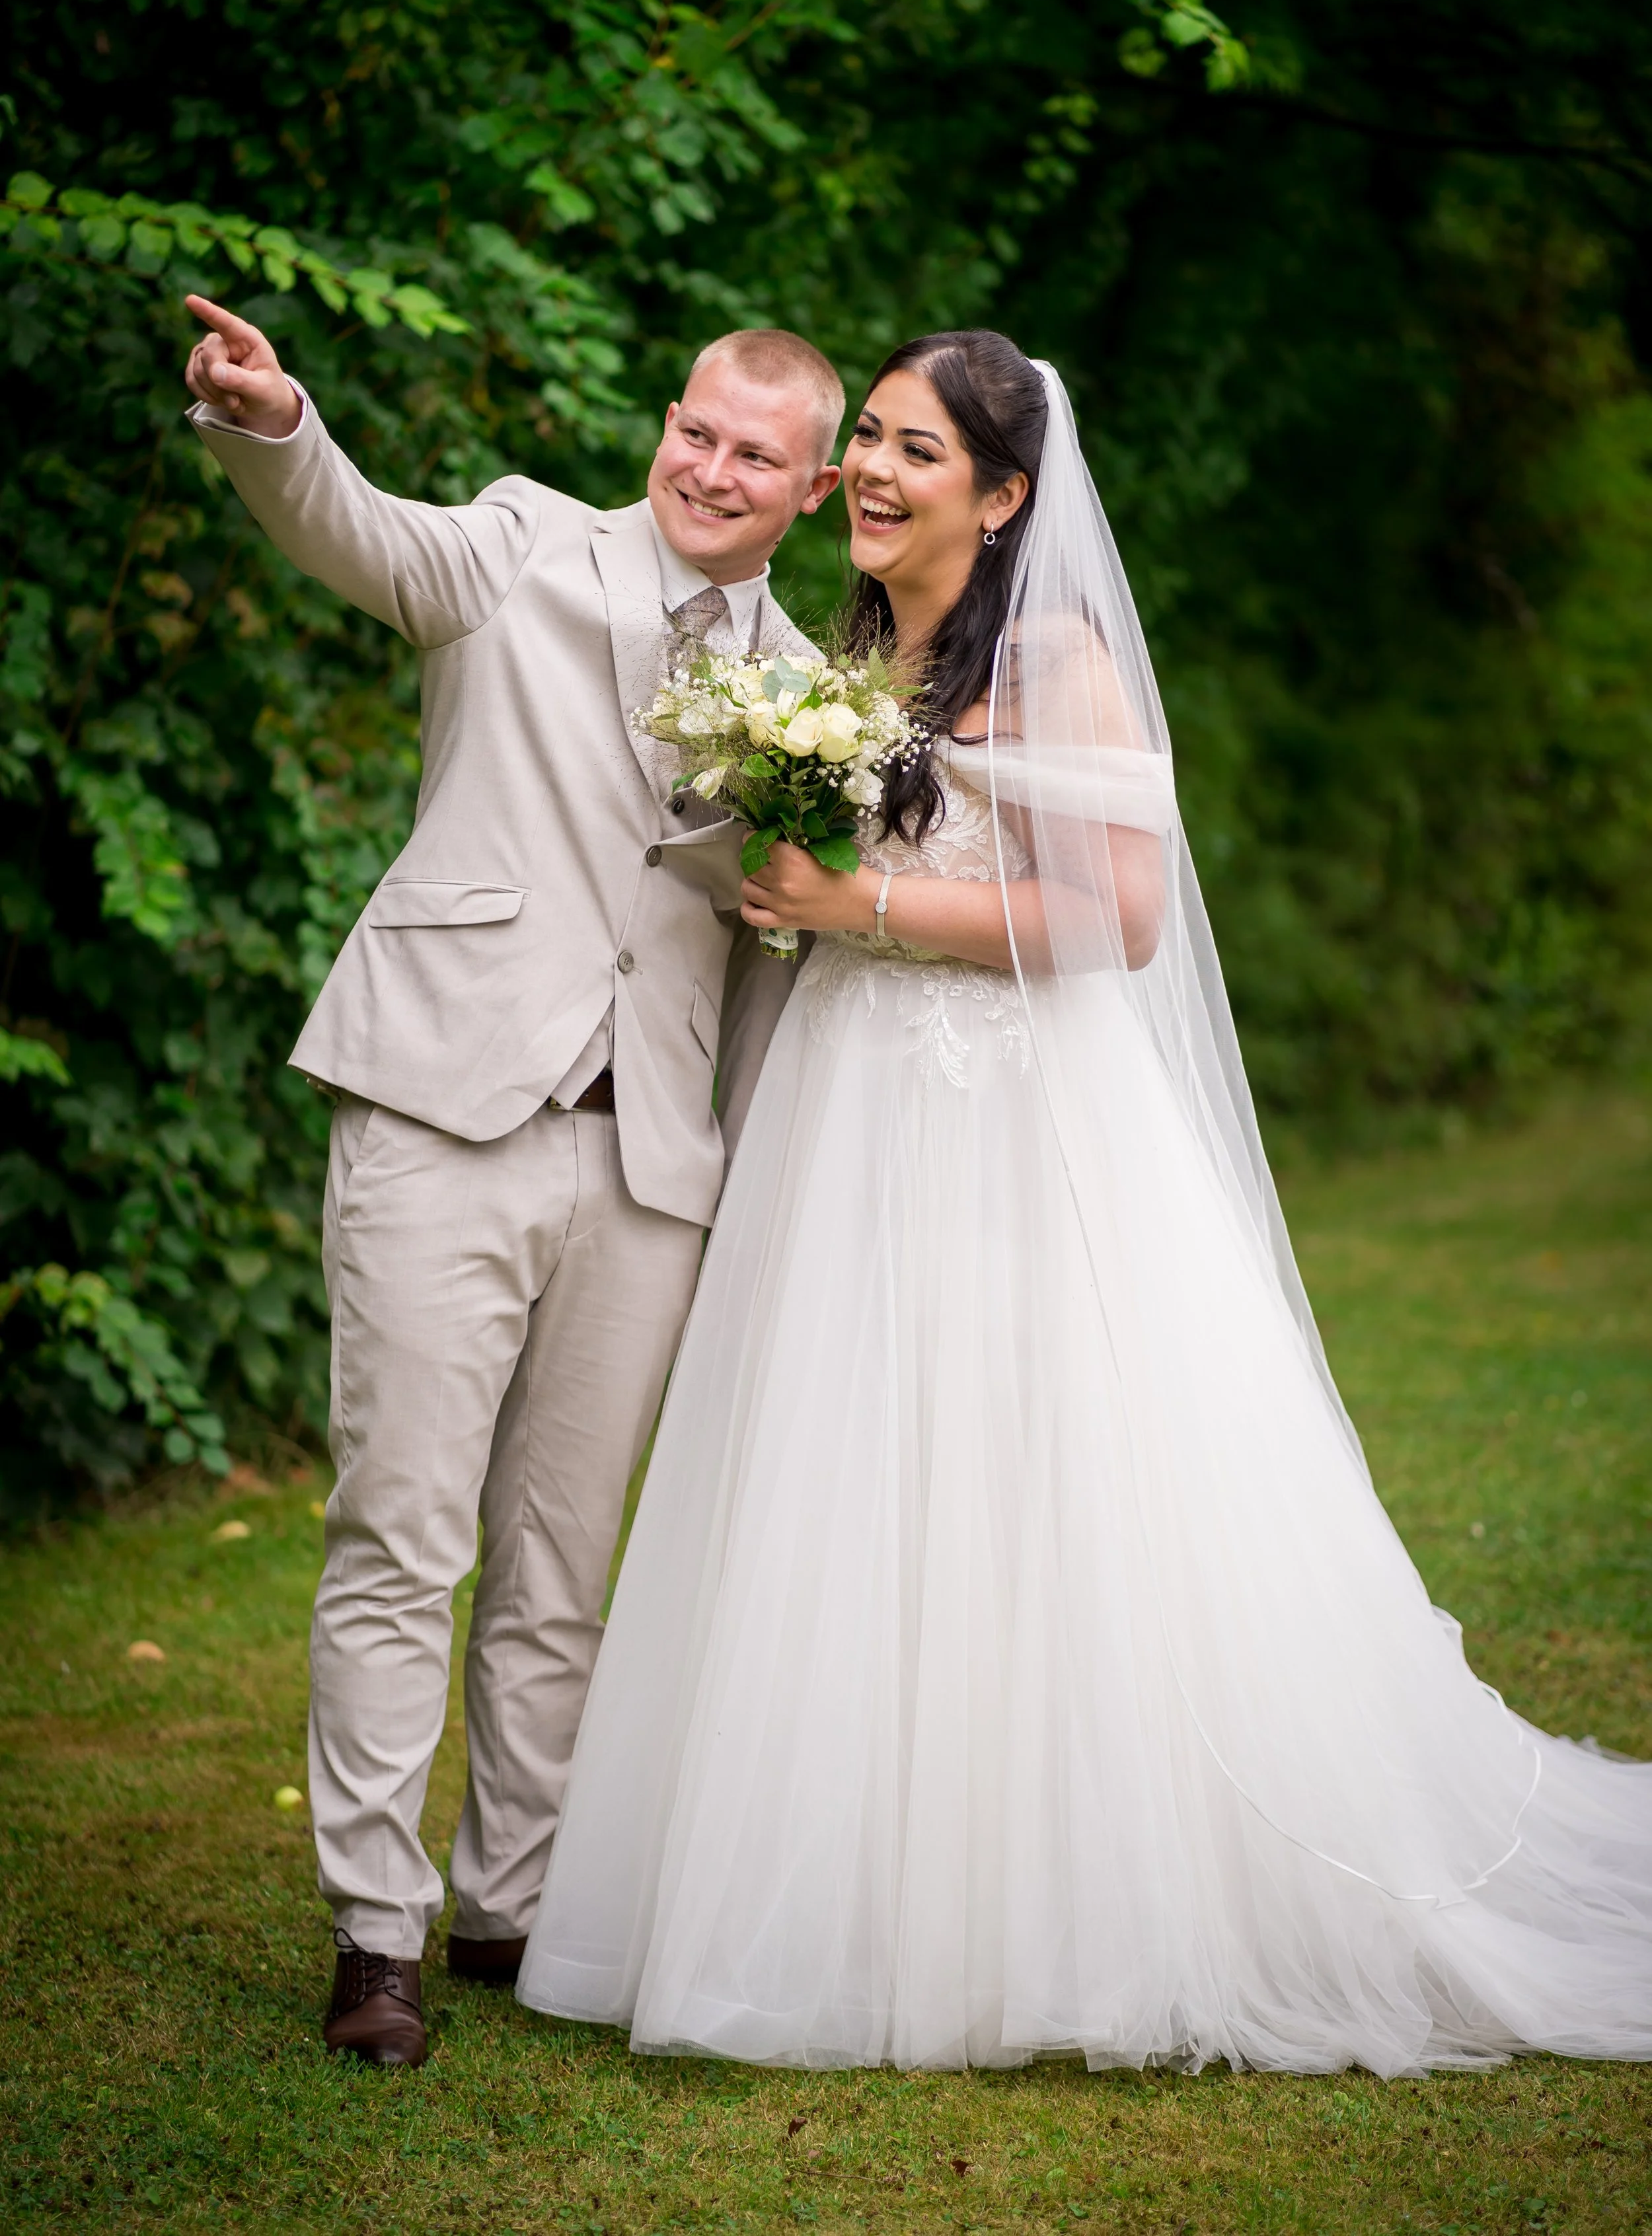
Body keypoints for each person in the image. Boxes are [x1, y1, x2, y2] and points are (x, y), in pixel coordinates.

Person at [517, 328, 1652, 2076]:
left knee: (1032, 1477)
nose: (875, 474)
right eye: (869, 439)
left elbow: (1115, 917)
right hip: (849, 1108)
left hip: (1014, 1122)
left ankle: (1067, 1897)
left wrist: (857, 912)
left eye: (917, 449)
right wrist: (796, 895)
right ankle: (853, 1886)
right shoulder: (849, 649)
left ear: (1006, 493)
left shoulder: (1050, 655)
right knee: (853, 1476)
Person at [182, 296, 843, 2068]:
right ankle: (375, 1931)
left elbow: (777, 954)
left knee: (562, 1560)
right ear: (670, 422)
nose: (709, 465)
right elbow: (362, 533)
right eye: (694, 427)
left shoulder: (812, 697)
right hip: (437, 1103)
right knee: (401, 1530)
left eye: (752, 453)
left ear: (810, 485)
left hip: (649, 1159)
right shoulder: (519, 542)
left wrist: (768, 1177)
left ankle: (511, 1903)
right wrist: (276, 422)